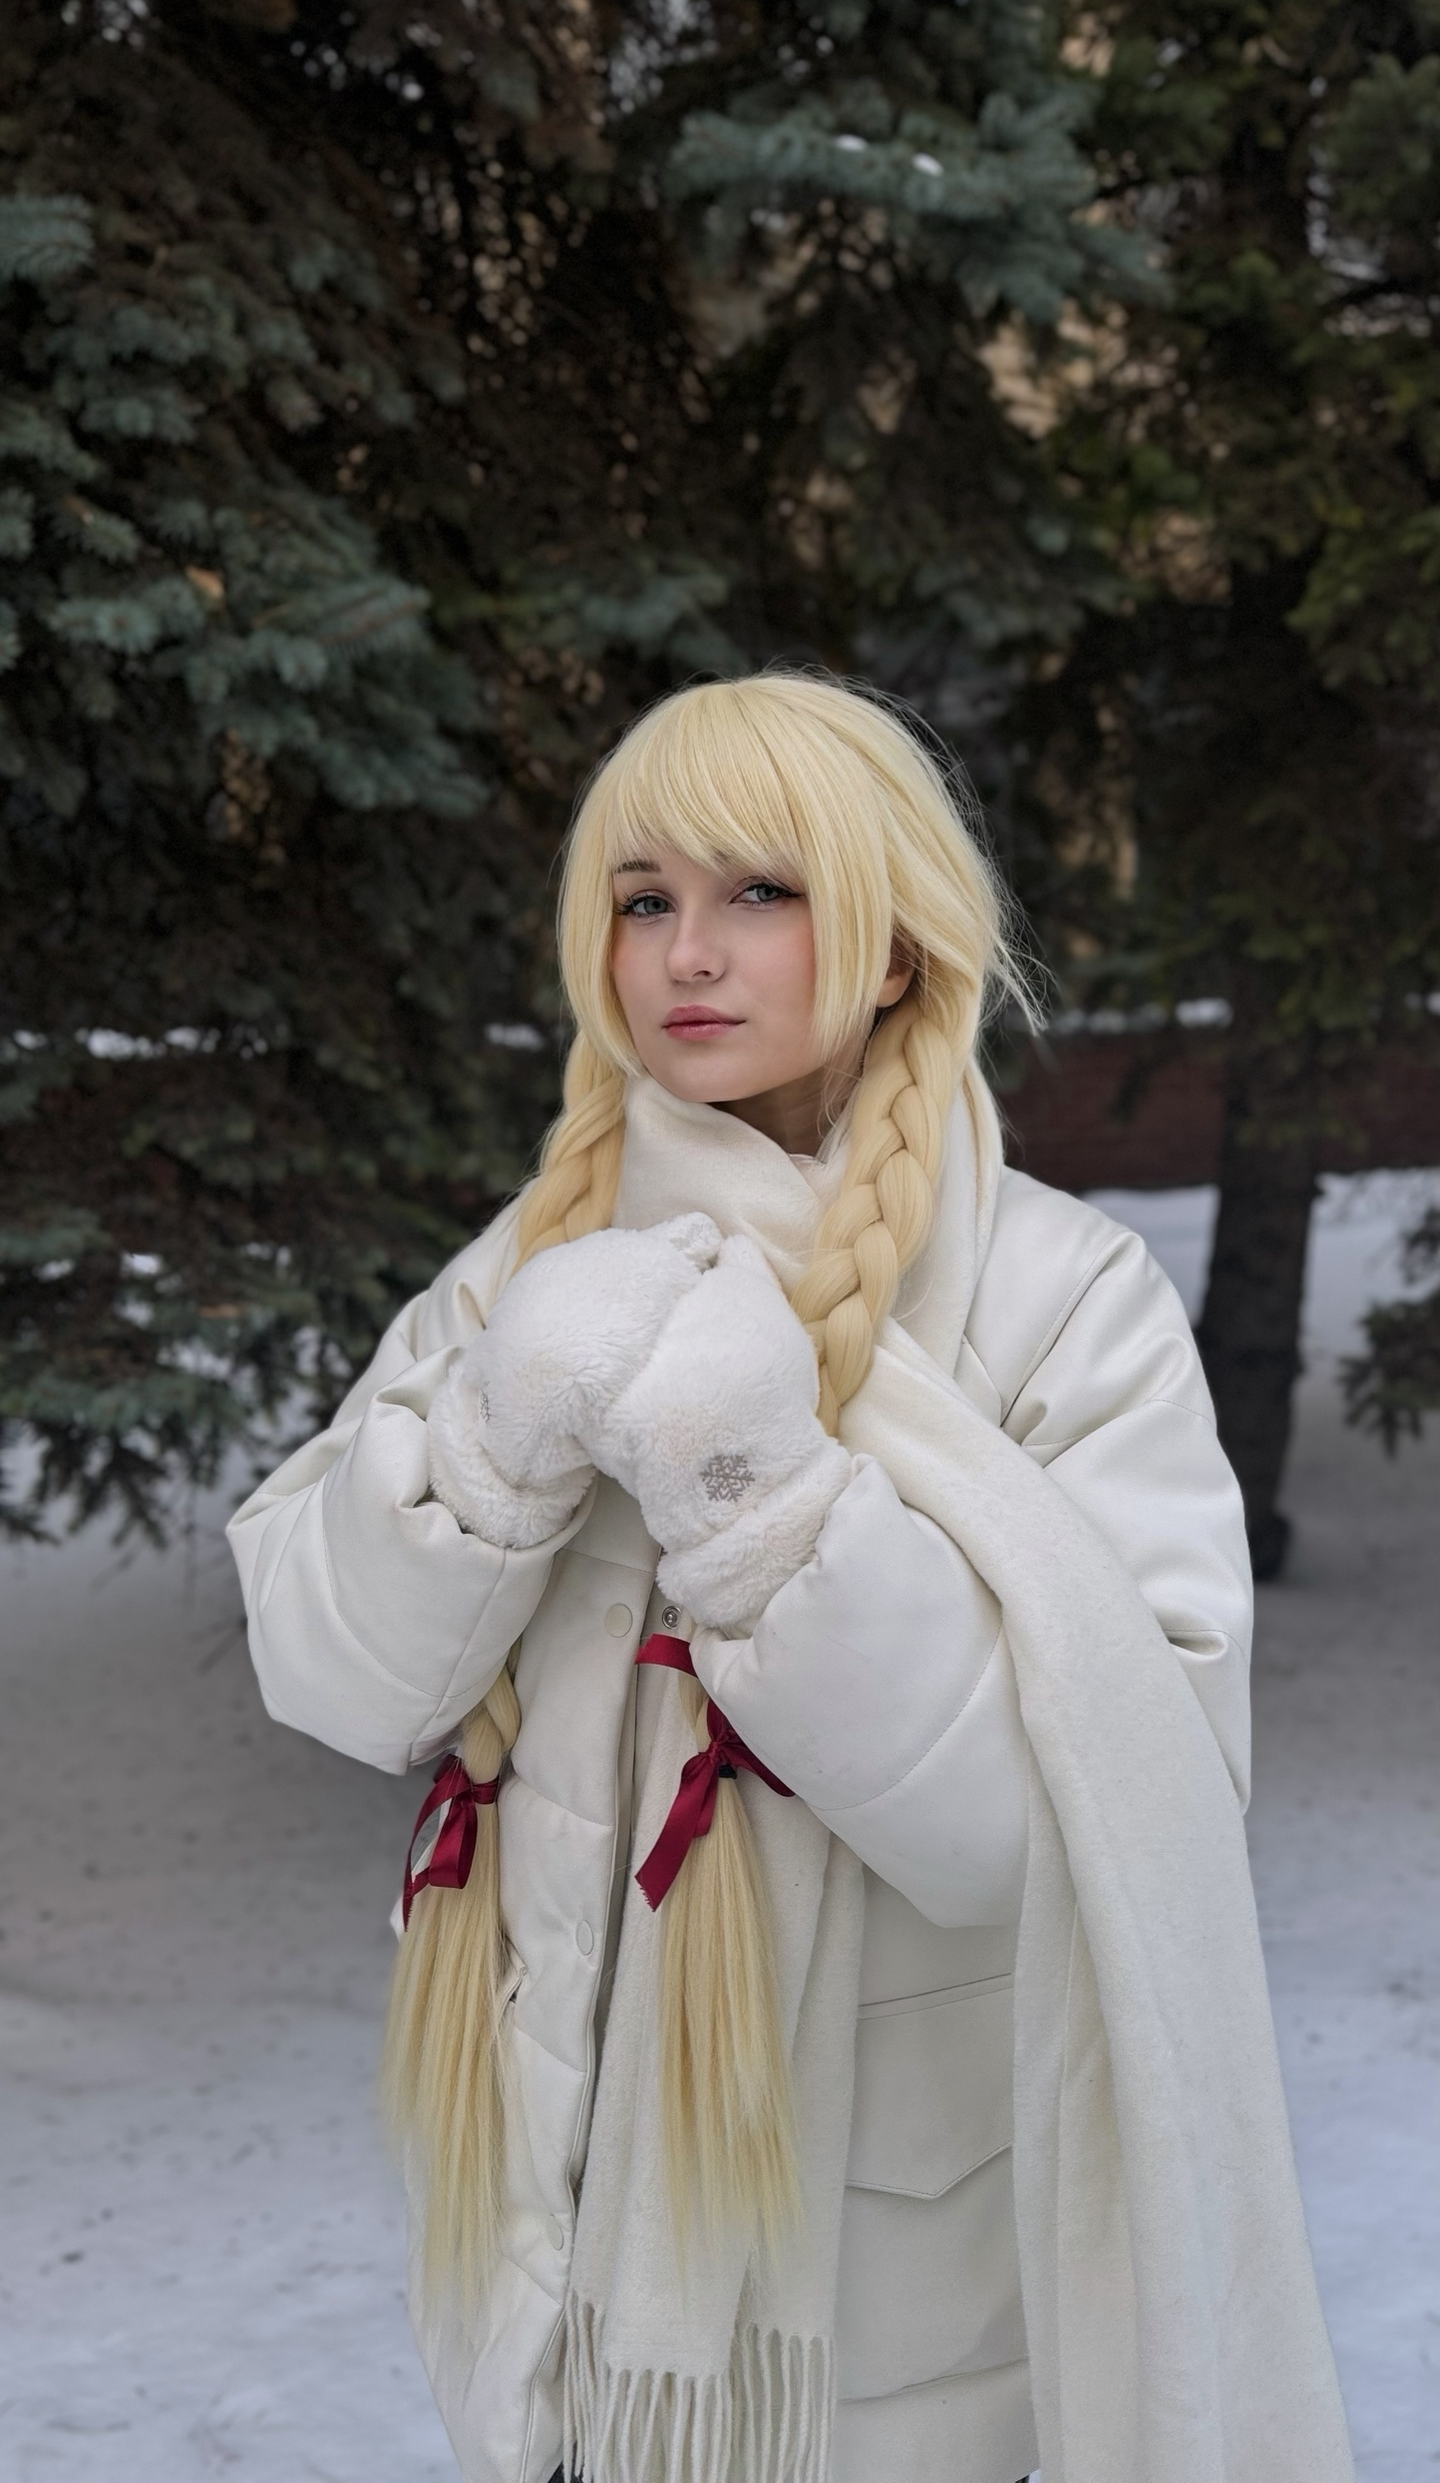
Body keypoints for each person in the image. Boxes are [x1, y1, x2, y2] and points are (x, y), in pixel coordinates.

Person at [228, 674, 1353, 2483]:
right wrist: (494, 1448)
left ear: (897, 945)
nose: (687, 951)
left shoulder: (1065, 1303)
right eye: (643, 897)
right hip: (544, 2258)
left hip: (877, 2297)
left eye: (762, 891)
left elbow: (1087, 1825)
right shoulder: (527, 1265)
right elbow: (330, 1674)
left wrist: (763, 1505)